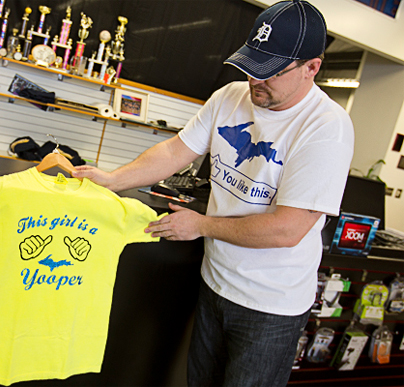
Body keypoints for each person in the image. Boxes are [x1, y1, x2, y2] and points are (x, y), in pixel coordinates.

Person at [73, 1, 354, 386]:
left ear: (312, 68)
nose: (256, 80)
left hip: (270, 306)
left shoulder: (326, 128)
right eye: (252, 65)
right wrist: (112, 179)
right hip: (214, 283)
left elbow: (287, 230)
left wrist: (201, 225)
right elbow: (175, 150)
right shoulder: (230, 96)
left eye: (270, 71)